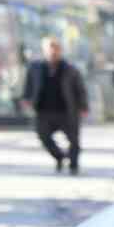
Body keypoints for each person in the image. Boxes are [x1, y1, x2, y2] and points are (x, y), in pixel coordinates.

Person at [20, 36, 88, 174]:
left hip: (67, 110)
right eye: (50, 48)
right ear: (44, 50)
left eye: (56, 48)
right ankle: (59, 157)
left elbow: (80, 89)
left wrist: (84, 106)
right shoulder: (35, 67)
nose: (53, 51)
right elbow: (29, 85)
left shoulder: (70, 68)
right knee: (43, 136)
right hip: (43, 110)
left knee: (74, 140)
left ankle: (74, 165)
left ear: (60, 50)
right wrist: (26, 98)